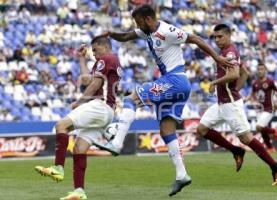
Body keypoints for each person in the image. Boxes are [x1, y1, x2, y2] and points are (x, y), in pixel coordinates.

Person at [93, 4, 234, 197]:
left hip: (174, 80)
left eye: (138, 21)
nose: (137, 25)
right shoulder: (146, 32)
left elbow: (194, 38)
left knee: (131, 98)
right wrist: (111, 34)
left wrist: (217, 58)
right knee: (166, 130)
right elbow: (126, 36)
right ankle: (182, 175)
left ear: (149, 19)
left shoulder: (166, 30)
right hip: (175, 84)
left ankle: (117, 143)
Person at [196, 24, 277, 186]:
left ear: (228, 36)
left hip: (231, 105)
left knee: (246, 138)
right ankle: (236, 151)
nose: (217, 40)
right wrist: (235, 89)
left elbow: (235, 73)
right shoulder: (227, 52)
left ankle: (276, 167)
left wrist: (215, 82)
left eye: (220, 36)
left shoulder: (229, 52)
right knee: (201, 129)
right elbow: (245, 73)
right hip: (222, 103)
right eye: (215, 37)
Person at [34, 36, 121, 200]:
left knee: (61, 126)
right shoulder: (112, 60)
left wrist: (80, 101)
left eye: (95, 49)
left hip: (99, 106)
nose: (94, 54)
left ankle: (58, 167)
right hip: (108, 111)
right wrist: (82, 59)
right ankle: (79, 191)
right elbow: (89, 79)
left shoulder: (106, 58)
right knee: (79, 149)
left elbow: (94, 85)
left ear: (104, 46)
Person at [246, 63, 277, 153]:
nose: (260, 71)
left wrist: (276, 102)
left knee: (258, 127)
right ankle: (270, 148)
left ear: (265, 71)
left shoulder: (270, 81)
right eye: (258, 69)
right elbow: (252, 94)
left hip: (269, 108)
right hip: (260, 109)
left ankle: (273, 131)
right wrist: (246, 99)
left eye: (262, 69)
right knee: (262, 130)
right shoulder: (255, 83)